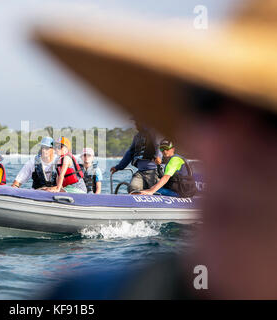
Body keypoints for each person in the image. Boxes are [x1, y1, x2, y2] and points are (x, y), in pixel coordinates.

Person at [34, 0, 277, 298]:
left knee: (142, 186)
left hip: (158, 184)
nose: (222, 147)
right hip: (144, 180)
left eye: (269, 120)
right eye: (208, 103)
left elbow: (162, 172)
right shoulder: (78, 292)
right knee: (134, 185)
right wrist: (120, 168)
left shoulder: (164, 153)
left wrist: (150, 190)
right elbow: (128, 158)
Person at [109, 123, 162, 193]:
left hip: (154, 172)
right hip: (140, 172)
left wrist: (159, 156)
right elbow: (129, 153)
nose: (136, 125)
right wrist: (118, 167)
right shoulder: (137, 137)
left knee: (155, 192)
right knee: (132, 188)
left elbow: (158, 145)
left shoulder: (154, 133)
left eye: (138, 122)